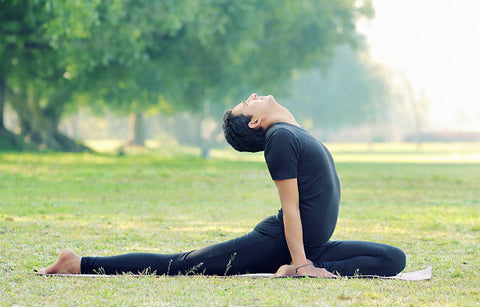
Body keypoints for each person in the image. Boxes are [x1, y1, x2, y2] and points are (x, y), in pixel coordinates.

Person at [40, 93, 406, 278]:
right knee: (180, 265)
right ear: (255, 122)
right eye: (247, 103)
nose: (252, 96)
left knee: (392, 259)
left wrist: (307, 261)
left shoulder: (290, 130)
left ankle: (303, 267)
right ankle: (80, 264)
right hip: (278, 240)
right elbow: (291, 206)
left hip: (313, 245)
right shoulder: (279, 138)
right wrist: (301, 262)